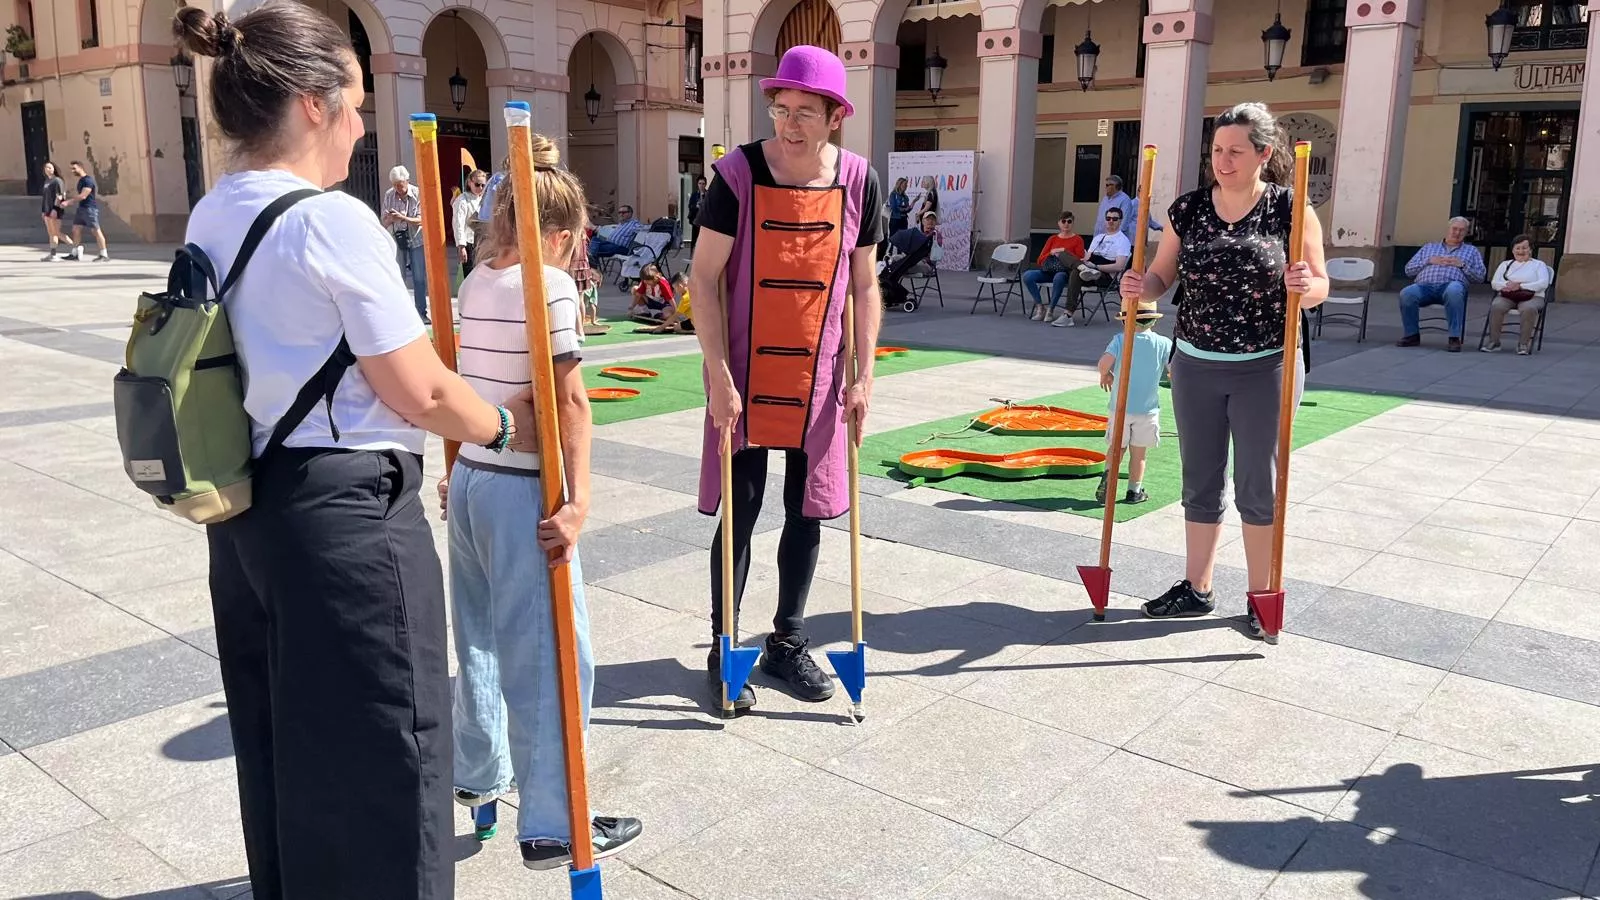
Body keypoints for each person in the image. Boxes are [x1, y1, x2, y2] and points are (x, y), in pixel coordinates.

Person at [175, 3, 538, 897]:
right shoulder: (329, 222)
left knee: (282, 743)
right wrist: (505, 428)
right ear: (310, 103)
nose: (362, 124)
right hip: (348, 521)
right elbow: (416, 388)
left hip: (249, 508)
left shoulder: (212, 212)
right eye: (357, 103)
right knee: (393, 753)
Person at [438, 132, 644, 873]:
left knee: (482, 642)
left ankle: (476, 775)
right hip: (524, 486)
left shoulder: (475, 278)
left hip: (472, 483)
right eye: (576, 242)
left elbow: (477, 383)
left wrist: (459, 464)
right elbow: (571, 403)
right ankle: (555, 824)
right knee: (556, 657)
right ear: (559, 234)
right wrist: (581, 502)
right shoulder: (548, 285)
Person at [689, 44, 885, 711]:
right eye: (781, 109)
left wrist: (863, 376)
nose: (790, 123)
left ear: (834, 116)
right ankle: (726, 646)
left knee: (809, 510)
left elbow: (865, 283)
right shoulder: (738, 174)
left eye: (806, 111)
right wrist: (717, 374)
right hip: (744, 371)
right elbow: (703, 277)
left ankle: (787, 642)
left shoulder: (860, 179)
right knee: (741, 511)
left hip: (822, 376)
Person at [1117, 101, 1328, 639]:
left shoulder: (1290, 206)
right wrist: (1143, 287)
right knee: (1200, 478)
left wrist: (1305, 289)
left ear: (1264, 153)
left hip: (1267, 366)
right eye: (1216, 151)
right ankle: (1197, 587)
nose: (1223, 161)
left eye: (1236, 151)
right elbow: (1163, 275)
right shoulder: (1188, 210)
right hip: (1195, 364)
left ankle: (1261, 595)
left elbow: (1322, 285)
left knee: (1257, 482)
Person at [1095, 299, 1173, 505]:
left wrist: (1106, 374)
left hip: (1120, 408)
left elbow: (1103, 364)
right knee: (1139, 453)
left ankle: (1108, 480)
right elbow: (1174, 370)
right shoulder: (1164, 344)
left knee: (1116, 448)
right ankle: (1134, 491)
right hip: (1147, 410)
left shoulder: (1120, 340)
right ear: (1153, 322)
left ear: (1125, 321)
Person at [1397, 216, 1486, 352]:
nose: (1457, 233)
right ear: (1448, 229)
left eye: (1461, 230)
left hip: (1451, 286)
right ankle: (1412, 335)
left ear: (1466, 233)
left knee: (1454, 290)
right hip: (1424, 286)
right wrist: (1428, 261)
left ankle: (1454, 338)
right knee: (1407, 293)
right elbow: (1408, 270)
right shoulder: (1429, 248)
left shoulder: (1472, 251)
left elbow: (1480, 277)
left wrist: (1462, 265)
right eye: (1454, 229)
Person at [1051, 210, 1132, 327]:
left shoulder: (1123, 240)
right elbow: (1087, 257)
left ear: (1120, 221)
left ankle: (1068, 314)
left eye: (1115, 219)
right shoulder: (1099, 238)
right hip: (1089, 270)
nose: (1111, 221)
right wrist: (1084, 262)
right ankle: (1083, 269)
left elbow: (1119, 266)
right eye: (1108, 218)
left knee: (1076, 271)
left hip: (1105, 276)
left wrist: (1096, 267)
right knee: (1062, 253)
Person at [1484, 233, 1553, 355]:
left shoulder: (1539, 265)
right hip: (1509, 295)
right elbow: (1495, 283)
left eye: (1525, 248)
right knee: (1497, 306)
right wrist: (1508, 286)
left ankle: (1523, 344)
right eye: (1518, 248)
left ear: (1531, 250)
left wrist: (1520, 285)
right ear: (1513, 250)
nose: (1521, 251)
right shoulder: (1505, 264)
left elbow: (1543, 283)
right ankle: (1494, 342)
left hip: (1533, 296)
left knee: (1528, 308)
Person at [382, 165, 429, 321]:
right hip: (398, 238)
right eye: (395, 185)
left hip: (416, 238)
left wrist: (403, 218)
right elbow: (384, 221)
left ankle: (421, 312)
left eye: (400, 185)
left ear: (407, 181)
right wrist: (390, 218)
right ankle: (401, 314)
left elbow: (422, 220)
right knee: (398, 276)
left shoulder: (417, 193)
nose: (398, 189)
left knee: (419, 277)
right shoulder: (389, 195)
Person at [1024, 211, 1087, 322]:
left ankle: (1051, 309)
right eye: (1063, 221)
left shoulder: (1078, 240)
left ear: (1073, 223)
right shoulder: (1052, 239)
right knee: (1028, 275)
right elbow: (1040, 259)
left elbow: (1080, 259)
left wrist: (1064, 252)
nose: (1066, 224)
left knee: (1059, 277)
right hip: (1049, 270)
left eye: (1069, 221)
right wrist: (1052, 253)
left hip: (1064, 272)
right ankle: (1040, 306)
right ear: (1059, 223)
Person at [63, 161, 109, 261]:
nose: (72, 171)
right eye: (71, 169)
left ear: (80, 168)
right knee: (76, 229)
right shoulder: (81, 180)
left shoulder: (88, 180)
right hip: (82, 208)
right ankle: (75, 253)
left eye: (74, 168)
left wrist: (69, 201)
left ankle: (104, 254)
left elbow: (84, 195)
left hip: (90, 209)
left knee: (96, 231)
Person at [453, 168, 486, 281]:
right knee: (471, 279)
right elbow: (458, 224)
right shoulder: (462, 200)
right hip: (469, 243)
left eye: (483, 185)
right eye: (477, 184)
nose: (480, 188)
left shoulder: (485, 199)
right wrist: (461, 246)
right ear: (469, 183)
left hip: (484, 242)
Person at [38, 162, 67, 261]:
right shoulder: (47, 181)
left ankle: (76, 247)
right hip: (47, 210)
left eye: (50, 167)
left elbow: (60, 196)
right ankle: (53, 254)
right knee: (51, 233)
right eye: (46, 167)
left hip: (55, 210)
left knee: (56, 232)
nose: (48, 169)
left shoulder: (57, 181)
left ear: (54, 169)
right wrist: (43, 210)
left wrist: (55, 209)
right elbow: (45, 197)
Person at [688, 175, 707, 248]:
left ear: (705, 184)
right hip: (696, 219)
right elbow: (690, 206)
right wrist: (696, 206)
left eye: (703, 184)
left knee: (704, 239)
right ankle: (692, 254)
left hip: (705, 221)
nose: (701, 185)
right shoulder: (694, 194)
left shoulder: (708, 194)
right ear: (697, 184)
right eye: (700, 183)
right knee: (694, 238)